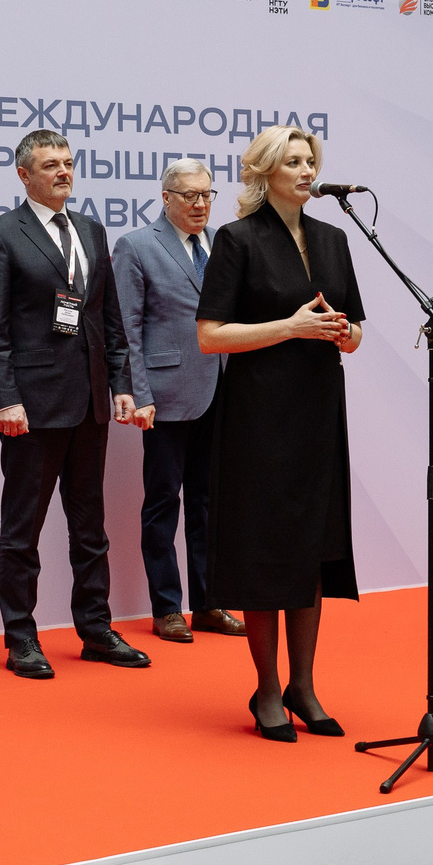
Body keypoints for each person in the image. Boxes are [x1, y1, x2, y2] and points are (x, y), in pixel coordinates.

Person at [197, 125, 363, 743]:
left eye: (309, 160)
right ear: (265, 172)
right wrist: (289, 327)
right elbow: (210, 336)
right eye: (292, 161)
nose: (305, 170)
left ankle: (304, 686)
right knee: (265, 549)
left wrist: (343, 333)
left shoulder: (334, 238)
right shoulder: (237, 239)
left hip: (319, 412)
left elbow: (355, 329)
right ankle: (267, 688)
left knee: (311, 546)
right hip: (259, 418)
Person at [0, 129, 149, 679]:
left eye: (68, 162)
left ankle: (95, 629)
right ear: (24, 175)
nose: (64, 172)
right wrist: (5, 400)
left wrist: (121, 384)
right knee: (22, 530)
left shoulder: (92, 231)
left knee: (90, 527)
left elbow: (107, 316)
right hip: (32, 406)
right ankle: (21, 638)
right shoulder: (1, 235)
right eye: (51, 164)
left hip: (91, 402)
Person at [114, 159, 245, 644]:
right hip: (165, 397)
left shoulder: (223, 243)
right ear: (166, 197)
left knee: (209, 506)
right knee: (162, 503)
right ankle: (167, 607)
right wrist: (139, 394)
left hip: (221, 391)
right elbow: (127, 328)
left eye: (207, 194)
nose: (200, 204)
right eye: (189, 195)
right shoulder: (136, 246)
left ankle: (209, 604)